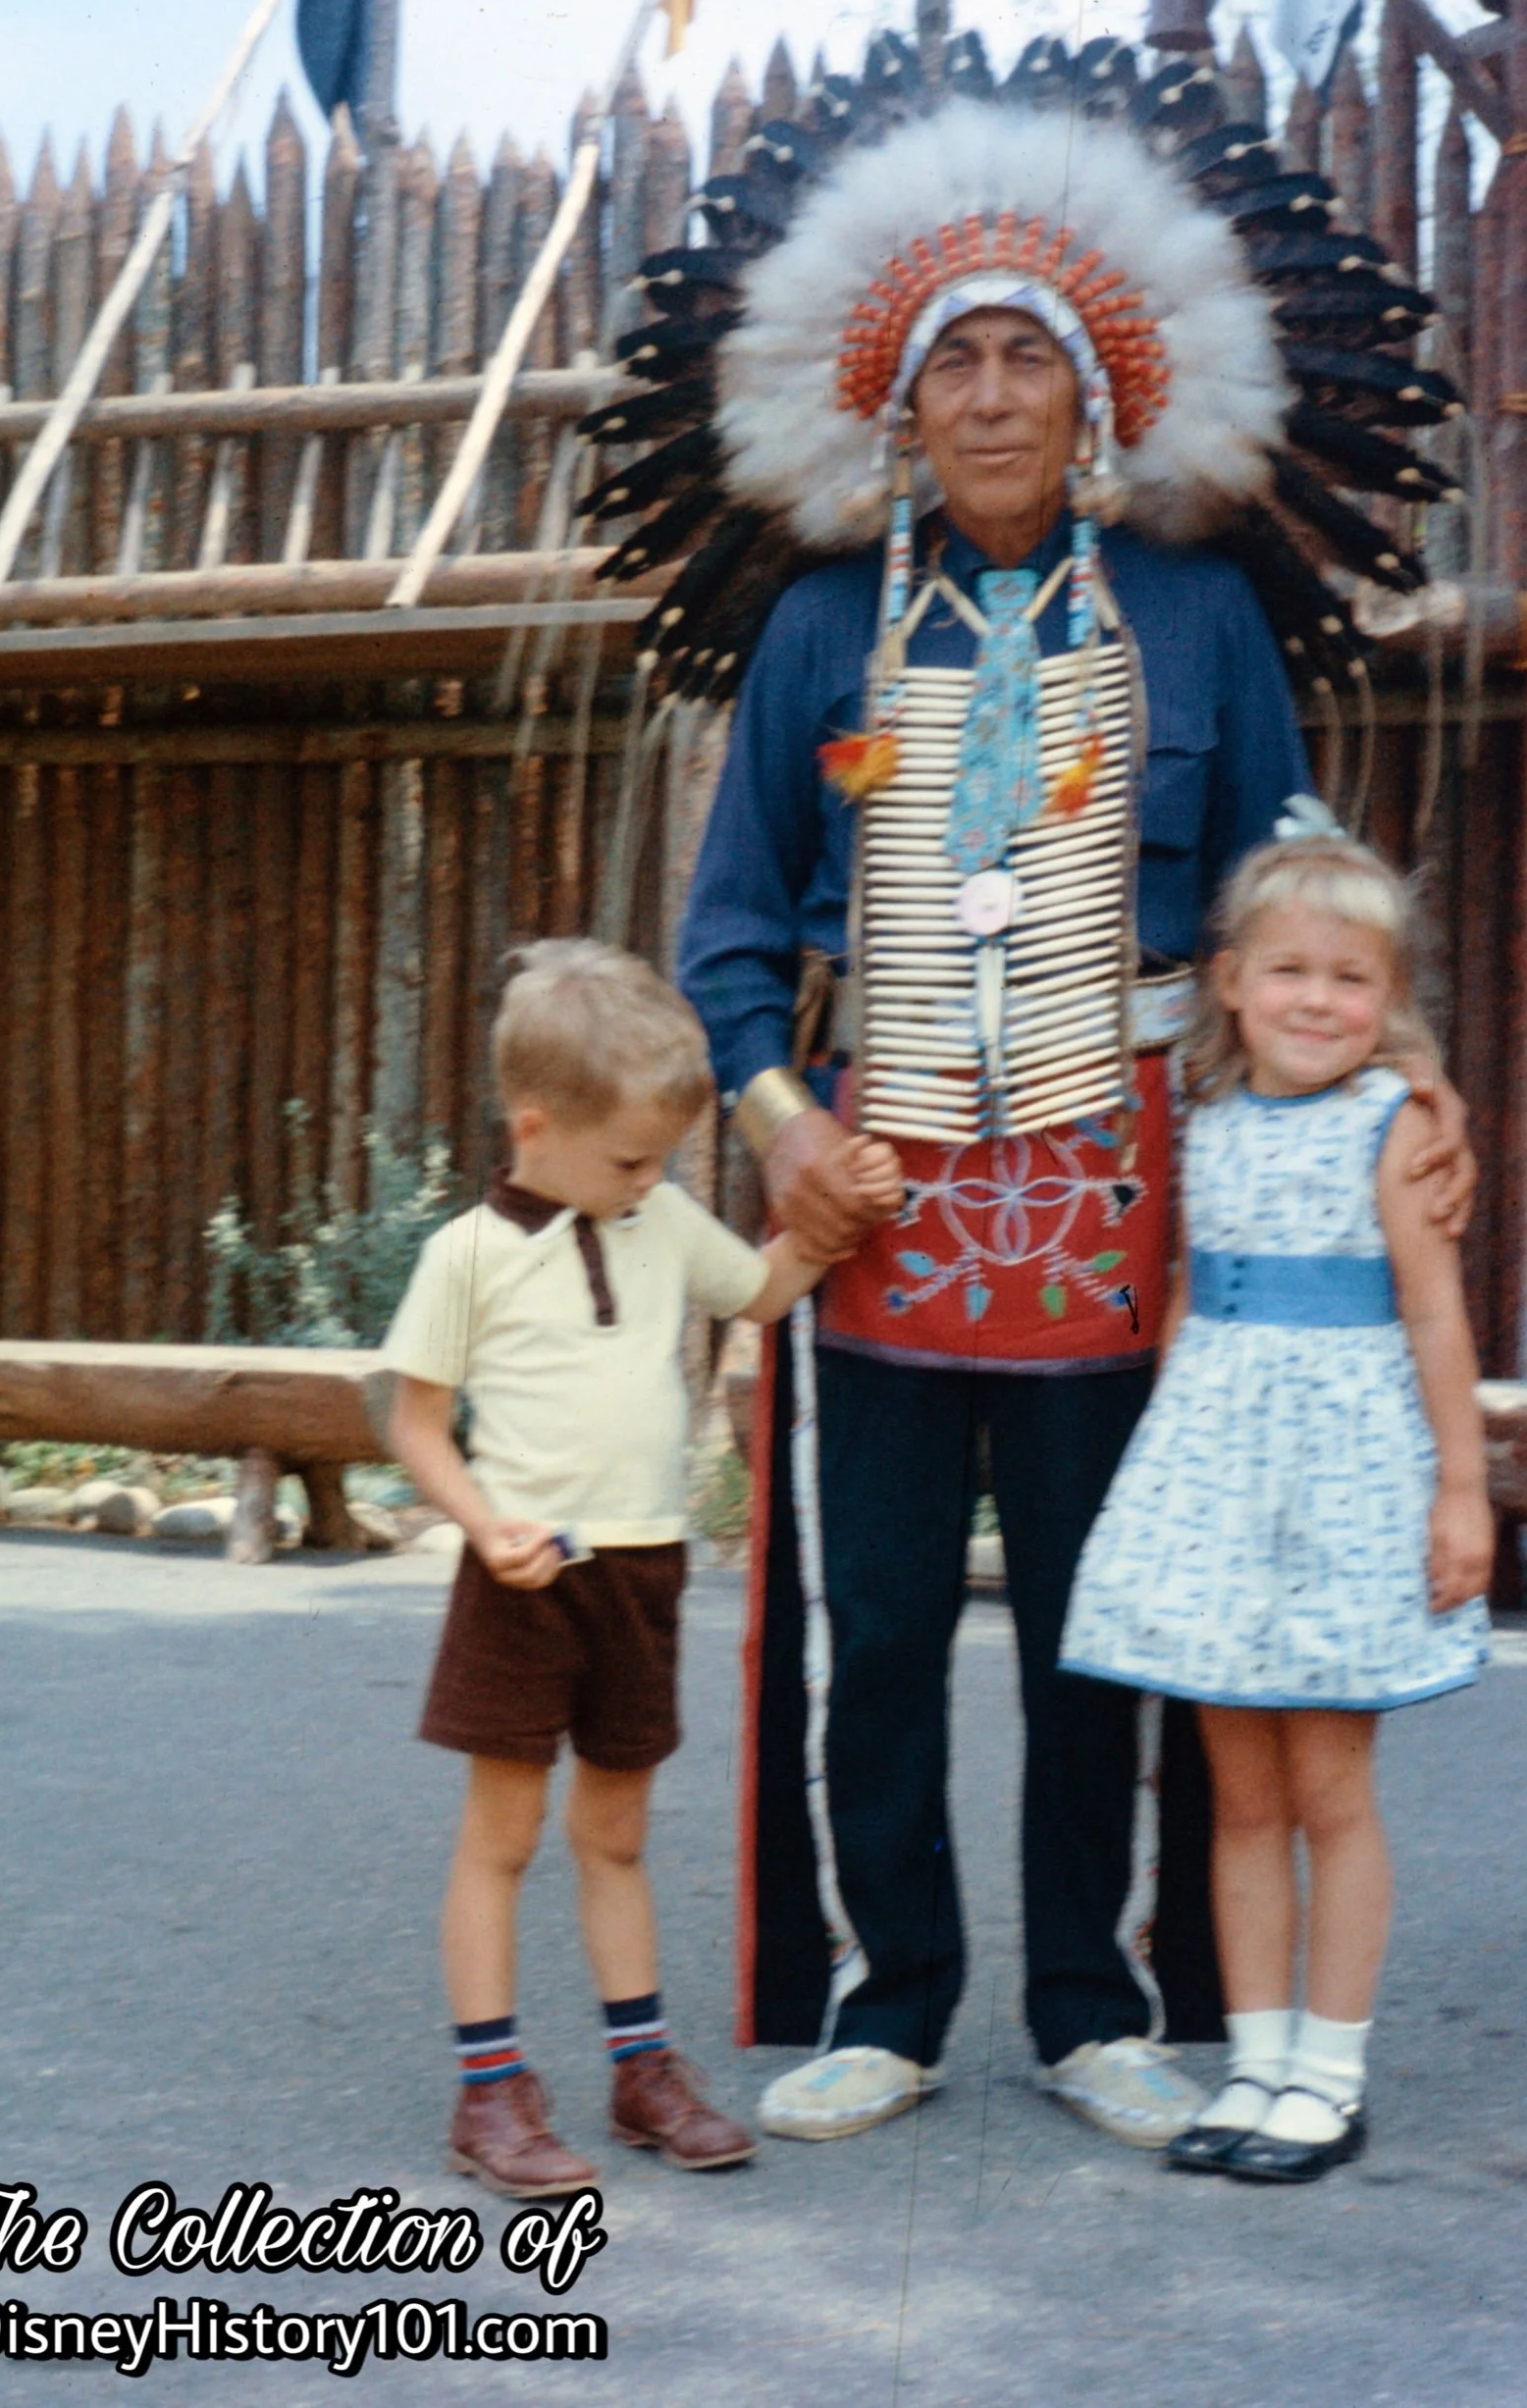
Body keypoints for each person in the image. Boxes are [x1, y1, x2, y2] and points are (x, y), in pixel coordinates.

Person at [629, 53, 1480, 2150]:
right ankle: (889, 1996)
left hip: (1130, 1201)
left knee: (1117, 1615)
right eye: (957, 364)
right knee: (889, 1622)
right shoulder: (823, 631)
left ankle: (1099, 2002)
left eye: (1028, 357)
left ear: (1094, 398)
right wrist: (778, 1118)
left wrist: (1412, 1062)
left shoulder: (1193, 617)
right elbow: (731, 930)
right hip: (882, 1195)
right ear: (897, 408)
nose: (994, 394)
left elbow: (1298, 893)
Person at [383, 939, 900, 2197]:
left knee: (614, 1833)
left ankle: (640, 2067)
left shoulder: (657, 1214)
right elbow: (411, 1420)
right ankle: (491, 2089)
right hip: (524, 1577)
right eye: (628, 1159)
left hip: (643, 1571)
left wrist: (839, 1211)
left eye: (664, 1159)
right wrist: (480, 1518)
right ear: (534, 1126)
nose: (650, 1179)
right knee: (500, 1839)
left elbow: (766, 1288)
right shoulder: (469, 1254)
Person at [1061, 833, 1492, 2180]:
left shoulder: (1395, 1128)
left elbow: (1432, 1316)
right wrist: (1168, 1485)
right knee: (1235, 1796)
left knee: (1329, 1790)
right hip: (1216, 1479)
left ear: (1390, 998)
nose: (1318, 1001)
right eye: (1290, 971)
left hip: (1349, 1483)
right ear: (1232, 983)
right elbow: (1188, 1290)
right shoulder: (1204, 1117)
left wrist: (1462, 1493)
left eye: (1351, 979)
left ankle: (1329, 2071)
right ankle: (1252, 2061)